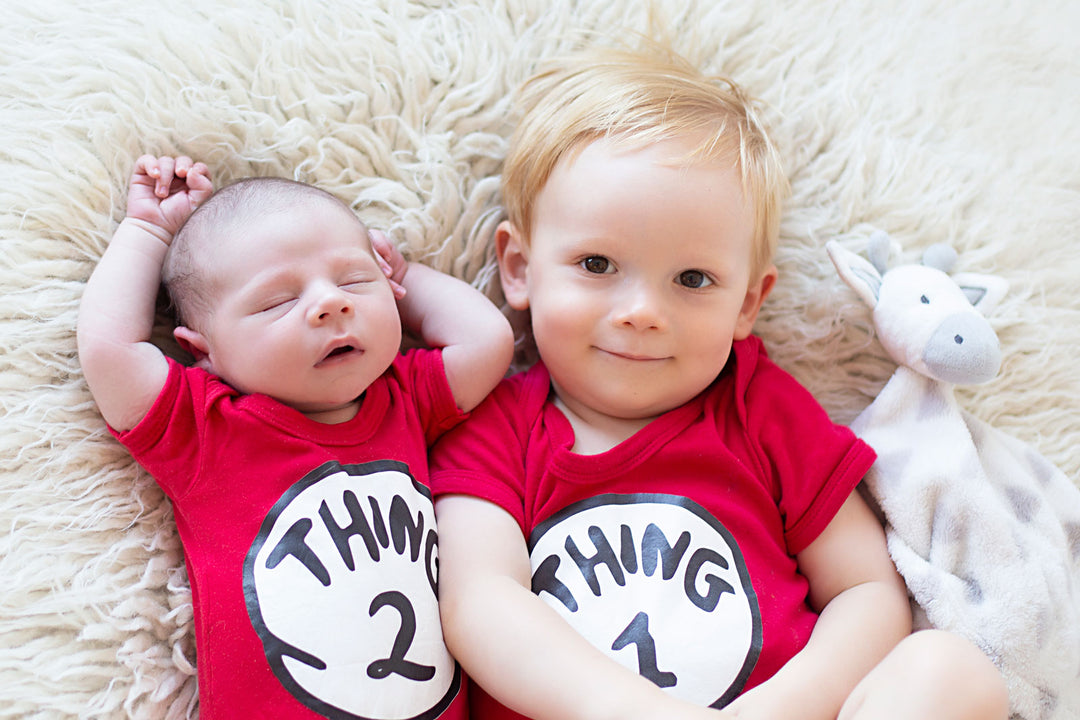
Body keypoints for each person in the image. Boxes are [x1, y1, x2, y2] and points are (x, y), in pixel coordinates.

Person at [429, 44, 1009, 720]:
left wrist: (780, 709)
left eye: (692, 279)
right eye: (597, 264)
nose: (642, 312)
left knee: (950, 669)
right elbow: (479, 601)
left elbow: (866, 591)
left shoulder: (760, 408)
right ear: (519, 268)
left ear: (746, 304)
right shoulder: (493, 428)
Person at [77, 155, 513, 719]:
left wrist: (404, 277)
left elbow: (487, 341)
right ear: (202, 350)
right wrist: (147, 231)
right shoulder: (205, 429)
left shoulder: (404, 400)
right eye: (278, 301)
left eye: (354, 280)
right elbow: (109, 351)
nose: (331, 303)